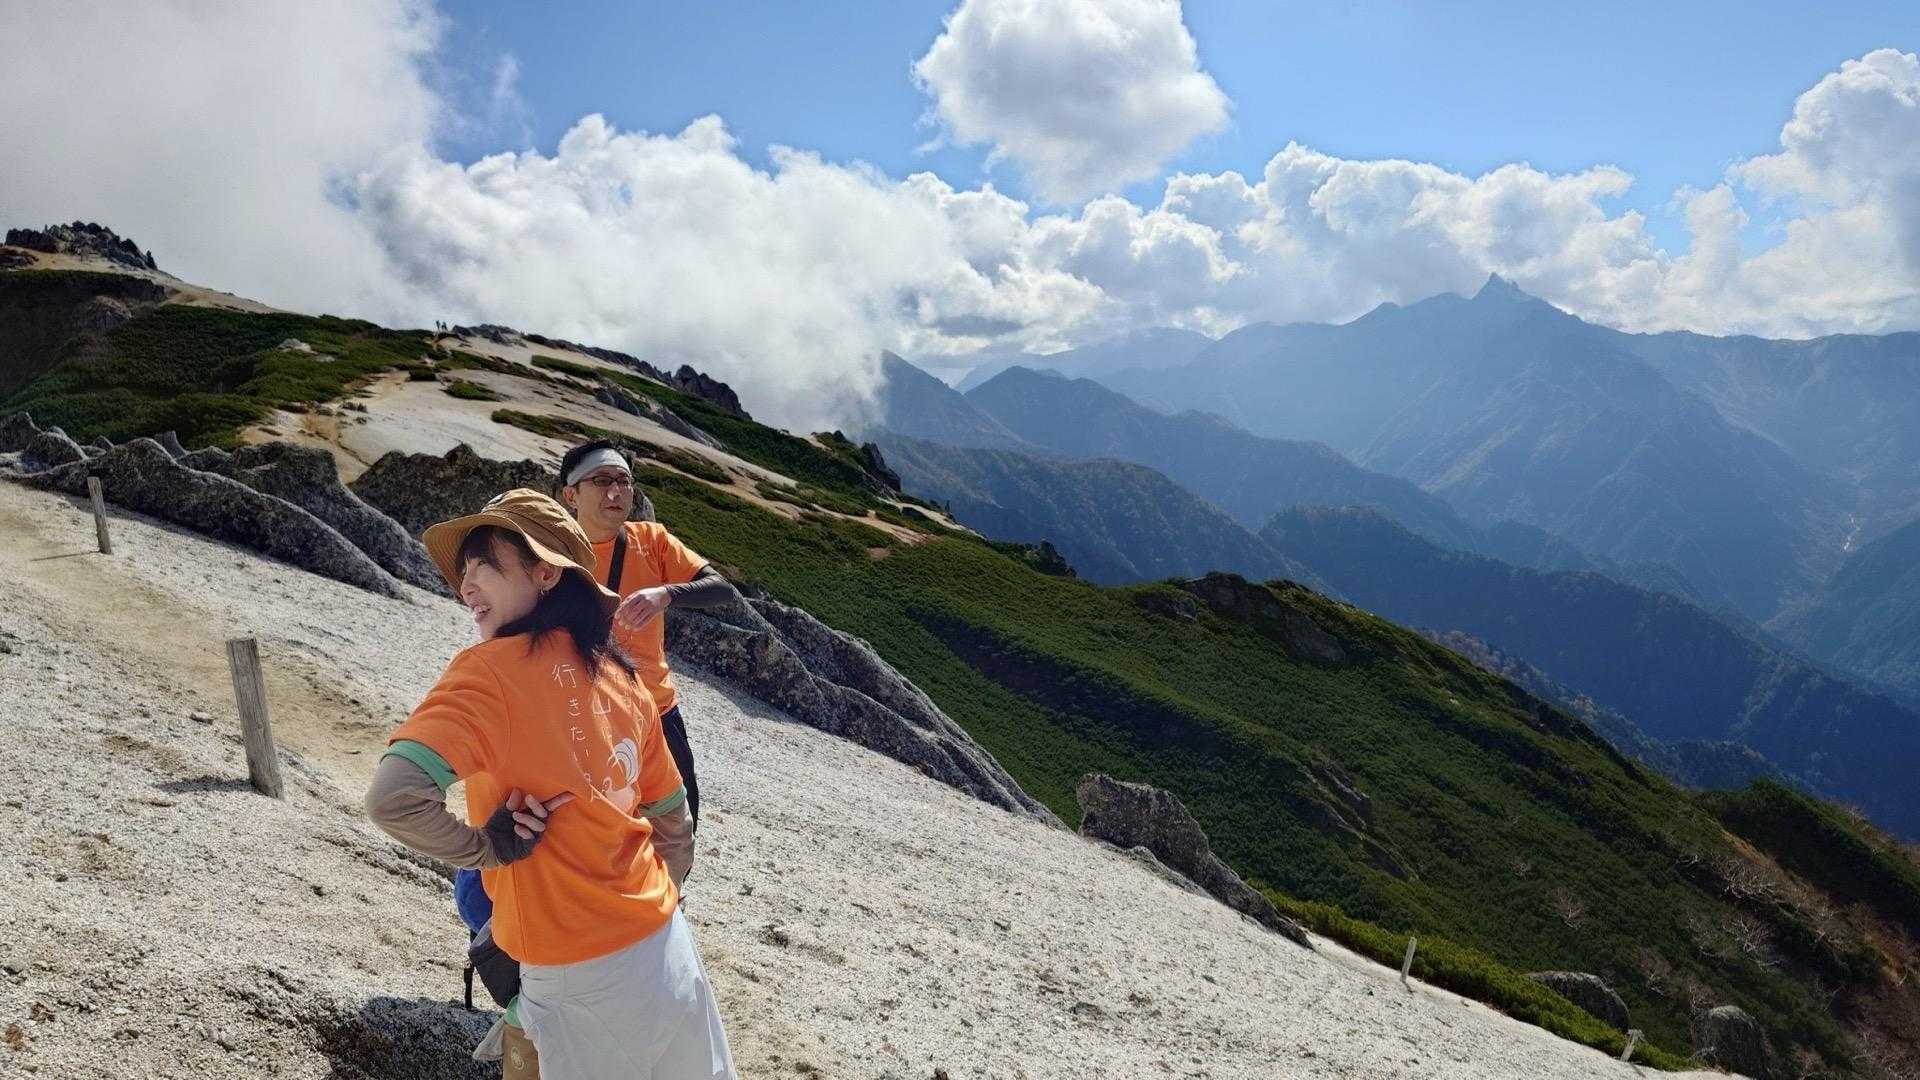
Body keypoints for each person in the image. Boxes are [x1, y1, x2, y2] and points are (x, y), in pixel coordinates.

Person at [365, 489, 734, 1079]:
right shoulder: (621, 674)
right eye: (463, 572)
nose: (466, 586)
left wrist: (487, 848)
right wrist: (658, 900)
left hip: (572, 969)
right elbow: (672, 817)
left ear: (545, 572)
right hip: (666, 945)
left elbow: (393, 800)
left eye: (484, 565)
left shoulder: (487, 673)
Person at [555, 438, 737, 826]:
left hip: (655, 707)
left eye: (624, 481)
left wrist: (666, 593)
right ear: (571, 495)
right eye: (601, 480)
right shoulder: (551, 553)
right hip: (583, 711)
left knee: (679, 822)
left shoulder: (651, 541)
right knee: (594, 822)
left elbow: (721, 589)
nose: (616, 491)